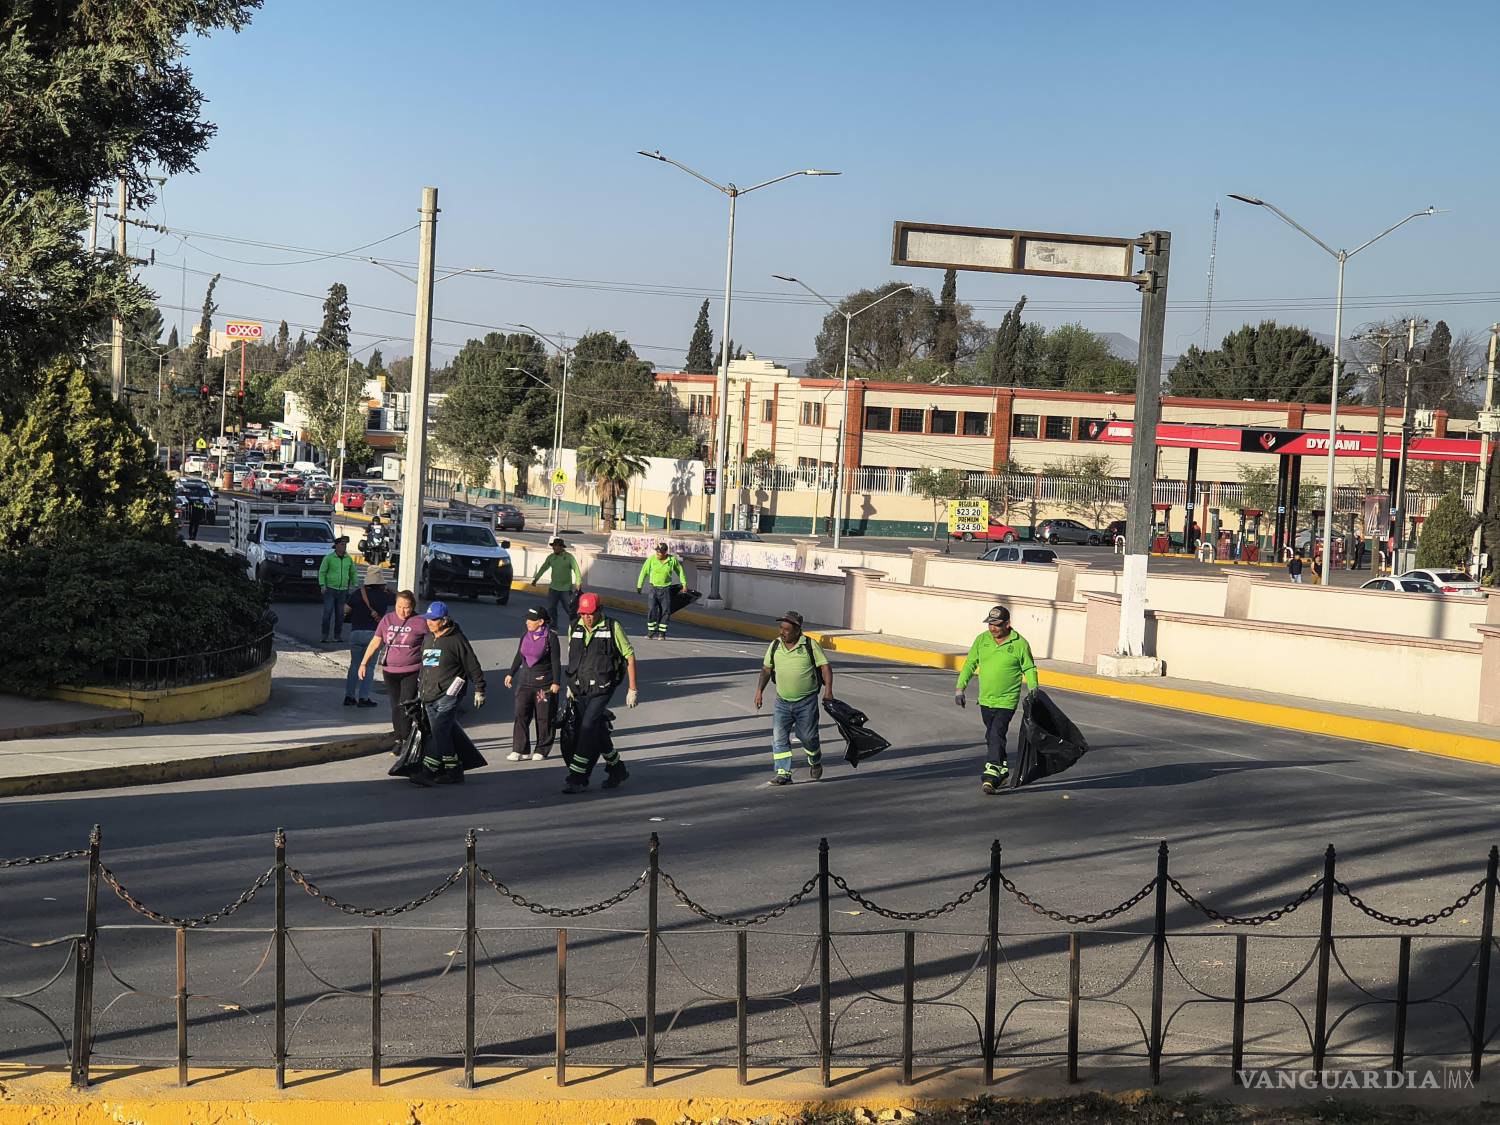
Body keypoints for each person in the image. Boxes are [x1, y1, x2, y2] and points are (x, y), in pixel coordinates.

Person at [954, 605, 1039, 795]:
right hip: (985, 699)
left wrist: (1034, 692)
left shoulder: (1019, 643)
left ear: (1008, 624)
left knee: (996, 734)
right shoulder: (982, 640)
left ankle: (991, 773)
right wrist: (960, 688)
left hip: (1007, 700)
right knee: (992, 736)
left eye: (997, 625)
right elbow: (970, 664)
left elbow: (1029, 669)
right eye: (990, 624)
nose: (992, 629)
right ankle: (1002, 771)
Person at [561, 592, 639, 795]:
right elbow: (574, 656)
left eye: (591, 613)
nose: (587, 618)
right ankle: (617, 769)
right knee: (597, 730)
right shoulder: (574, 627)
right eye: (584, 613)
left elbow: (629, 656)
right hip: (580, 686)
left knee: (587, 728)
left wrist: (632, 689)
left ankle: (578, 777)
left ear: (599, 611)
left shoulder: (613, 627)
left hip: (604, 687)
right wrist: (570, 685)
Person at [753, 610, 833, 786]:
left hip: (806, 701)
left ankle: (815, 758)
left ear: (797, 630)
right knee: (779, 737)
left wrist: (828, 691)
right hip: (782, 701)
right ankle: (783, 773)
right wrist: (759, 691)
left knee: (808, 737)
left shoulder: (809, 645)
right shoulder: (775, 645)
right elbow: (766, 669)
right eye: (781, 628)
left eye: (786, 629)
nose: (782, 632)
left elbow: (825, 667)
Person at [414, 601, 486, 785]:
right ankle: (453, 770)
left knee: (439, 731)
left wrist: (479, 689)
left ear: (444, 620)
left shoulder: (456, 640)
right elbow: (425, 666)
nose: (429, 622)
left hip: (448, 694)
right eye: (427, 619)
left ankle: (428, 771)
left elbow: (472, 665)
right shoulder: (429, 638)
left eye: (433, 619)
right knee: (441, 734)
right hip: (428, 694)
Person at [360, 589, 428, 753]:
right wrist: (363, 663)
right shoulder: (387, 619)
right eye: (399, 607)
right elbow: (376, 642)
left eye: (407, 607)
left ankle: (406, 740)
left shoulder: (420, 621)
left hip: (411, 670)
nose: (403, 611)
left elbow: (433, 643)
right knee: (395, 706)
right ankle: (398, 738)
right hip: (390, 671)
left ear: (412, 606)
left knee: (405, 705)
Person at [505, 606, 561, 761]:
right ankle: (519, 749)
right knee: (520, 714)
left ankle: (542, 749)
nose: (528, 622)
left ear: (541, 622)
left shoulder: (551, 638)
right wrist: (511, 673)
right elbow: (519, 655)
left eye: (532, 620)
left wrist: (556, 682)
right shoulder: (525, 636)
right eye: (527, 619)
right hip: (525, 682)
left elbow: (556, 661)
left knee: (544, 717)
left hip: (544, 684)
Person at [344, 568, 392, 707]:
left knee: (354, 665)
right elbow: (399, 599)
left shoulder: (358, 593)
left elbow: (346, 609)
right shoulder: (385, 596)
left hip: (356, 632)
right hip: (373, 635)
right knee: (369, 667)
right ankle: (364, 698)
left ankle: (349, 696)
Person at [636, 542, 686, 640]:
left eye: (660, 553)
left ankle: (662, 633)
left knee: (665, 611)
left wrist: (684, 584)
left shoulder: (672, 560)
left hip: (666, 589)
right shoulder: (651, 559)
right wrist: (639, 585)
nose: (658, 554)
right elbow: (644, 572)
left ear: (665, 553)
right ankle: (651, 632)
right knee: (652, 610)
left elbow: (680, 572)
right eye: (657, 552)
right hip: (654, 589)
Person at [533, 538, 581, 632]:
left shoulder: (569, 557)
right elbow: (544, 567)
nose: (554, 548)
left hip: (566, 589)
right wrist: (536, 579)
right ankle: (553, 626)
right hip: (553, 588)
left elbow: (576, 569)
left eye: (556, 546)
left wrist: (578, 582)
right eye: (553, 546)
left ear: (561, 547)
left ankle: (576, 625)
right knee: (551, 608)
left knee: (570, 609)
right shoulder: (551, 557)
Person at [319, 536, 357, 643]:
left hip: (343, 590)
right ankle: (324, 635)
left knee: (340, 614)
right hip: (330, 589)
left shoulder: (348, 559)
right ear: (336, 546)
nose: (343, 546)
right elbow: (322, 572)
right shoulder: (329, 558)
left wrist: (355, 584)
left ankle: (337, 635)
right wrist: (322, 585)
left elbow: (352, 572)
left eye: (345, 544)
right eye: (341, 544)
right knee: (328, 613)